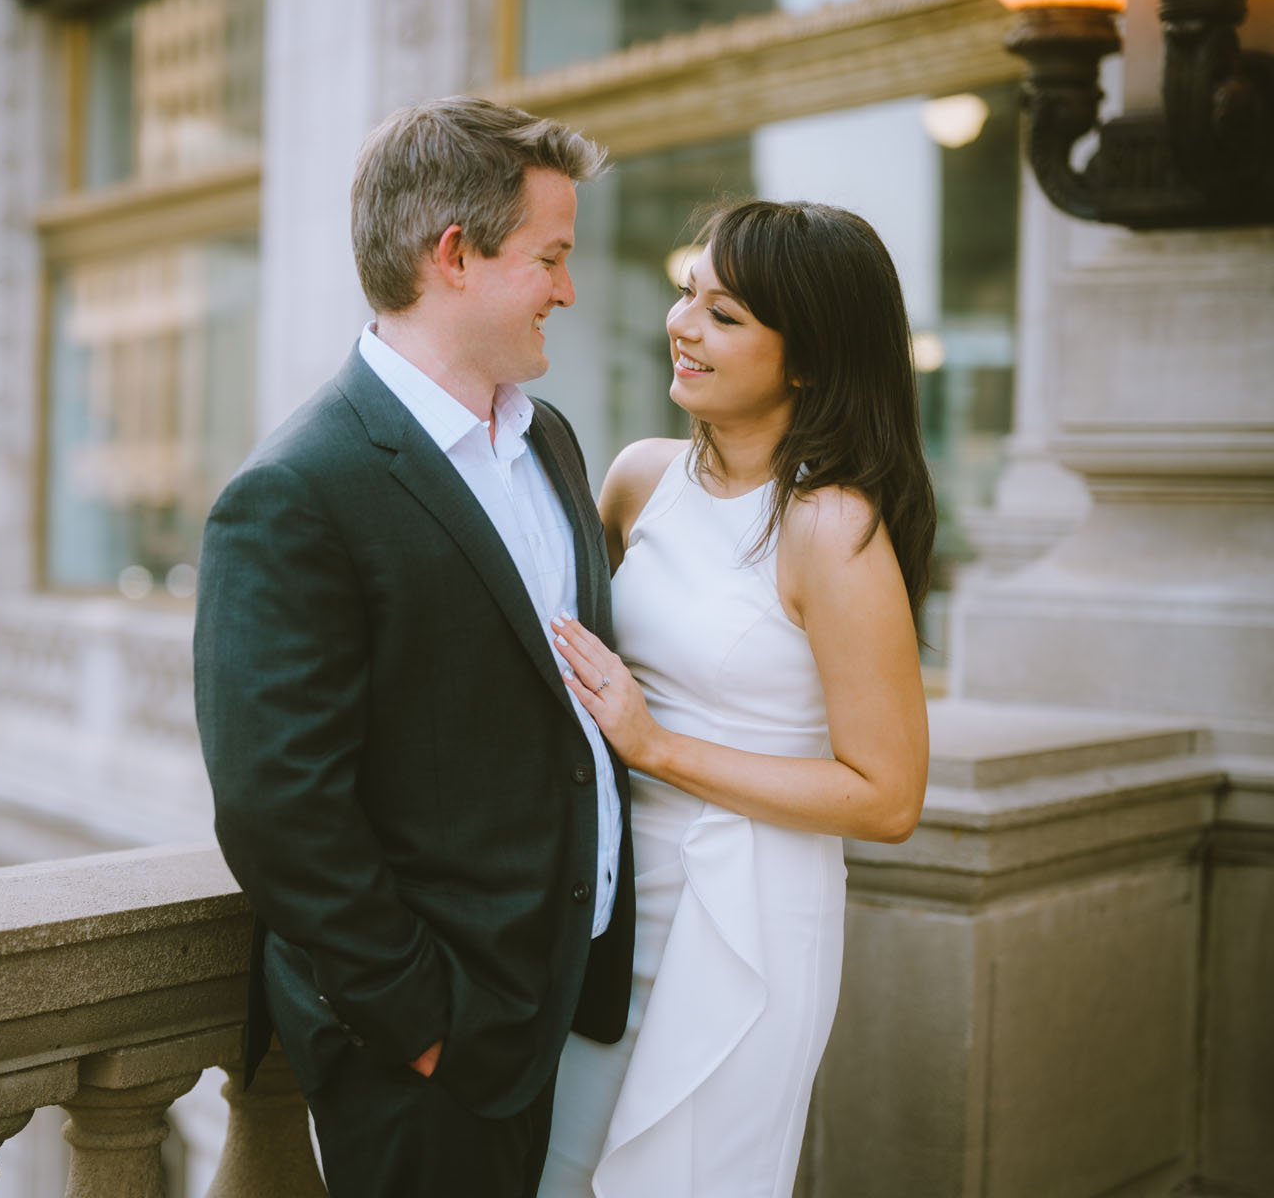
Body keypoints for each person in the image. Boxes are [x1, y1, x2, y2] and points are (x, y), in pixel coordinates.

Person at [193, 95, 635, 1198]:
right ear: (454, 256)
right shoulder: (295, 490)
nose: (569, 290)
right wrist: (422, 1023)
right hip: (430, 1055)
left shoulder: (553, 443)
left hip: (567, 1012)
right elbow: (277, 802)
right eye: (550, 257)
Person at [537, 199, 936, 1197]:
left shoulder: (830, 527)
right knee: (557, 1170)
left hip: (748, 915)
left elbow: (888, 798)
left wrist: (657, 747)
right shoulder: (639, 478)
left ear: (804, 358)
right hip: (613, 897)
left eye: (725, 315)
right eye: (686, 295)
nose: (684, 325)